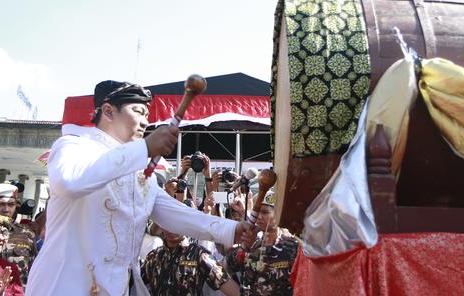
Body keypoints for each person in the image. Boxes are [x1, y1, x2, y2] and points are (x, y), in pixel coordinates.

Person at [26, 80, 249, 296]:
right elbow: (69, 182)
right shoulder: (73, 146)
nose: (145, 122)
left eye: (147, 115)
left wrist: (229, 229)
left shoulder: (139, 168)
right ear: (109, 111)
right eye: (138, 112)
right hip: (64, 286)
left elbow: (172, 212)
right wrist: (144, 148)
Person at [226, 191, 299, 296]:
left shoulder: (292, 246)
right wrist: (244, 247)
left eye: (265, 212)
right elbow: (226, 267)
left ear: (278, 213)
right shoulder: (252, 244)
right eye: (257, 212)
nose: (259, 217)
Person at [141, 225, 240, 296]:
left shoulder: (199, 254)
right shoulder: (153, 257)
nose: (171, 227)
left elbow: (225, 282)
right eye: (167, 222)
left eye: (177, 222)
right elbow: (133, 284)